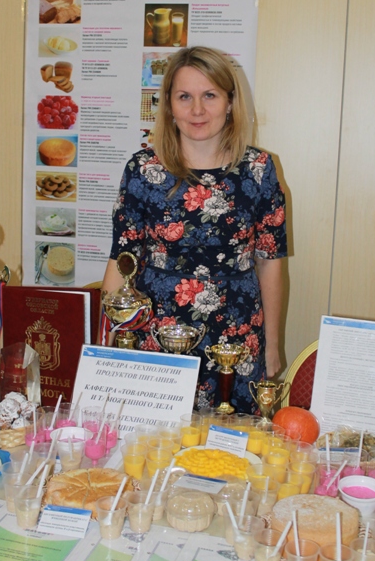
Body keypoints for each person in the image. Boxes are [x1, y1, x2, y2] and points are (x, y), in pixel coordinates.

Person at [102, 46, 287, 413]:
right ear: (169, 105)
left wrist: (272, 345)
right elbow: (121, 261)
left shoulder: (259, 170)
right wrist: (109, 342)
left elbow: (270, 262)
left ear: (230, 102)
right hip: (156, 332)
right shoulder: (142, 170)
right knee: (155, 441)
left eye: (210, 96)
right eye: (184, 97)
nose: (197, 110)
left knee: (230, 442)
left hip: (236, 335)